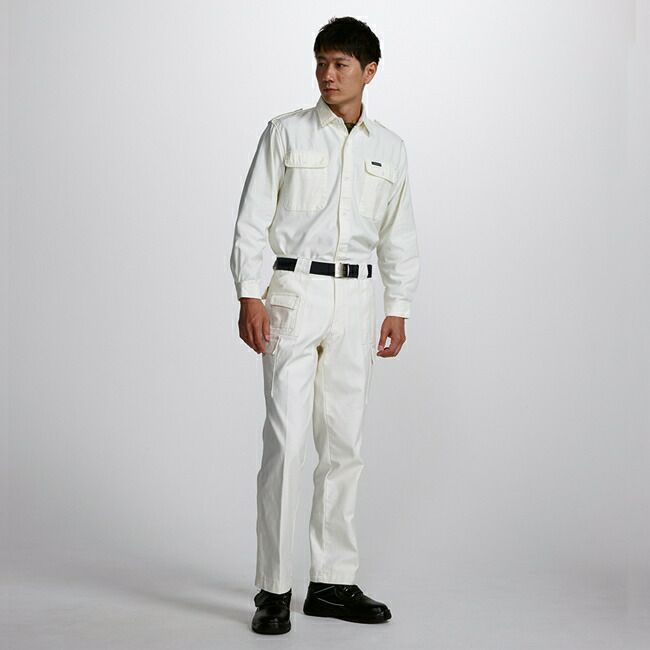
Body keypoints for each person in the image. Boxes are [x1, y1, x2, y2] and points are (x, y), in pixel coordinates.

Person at [229, 16, 420, 635]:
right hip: (293, 294)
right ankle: (274, 589)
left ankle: (333, 583)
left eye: (340, 64)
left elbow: (399, 234)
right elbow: (252, 220)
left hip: (358, 300)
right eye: (321, 62)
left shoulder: (389, 148)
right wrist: (249, 293)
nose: (327, 75)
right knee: (287, 443)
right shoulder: (285, 133)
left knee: (344, 446)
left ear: (369, 71)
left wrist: (398, 306)